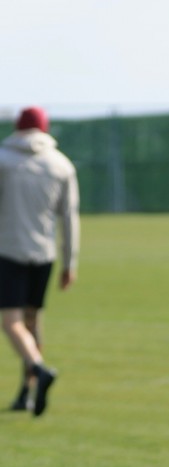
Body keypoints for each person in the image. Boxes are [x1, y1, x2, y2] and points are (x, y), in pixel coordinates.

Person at [0, 106, 79, 416]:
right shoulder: (61, 164)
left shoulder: (4, 160)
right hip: (44, 253)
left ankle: (38, 368)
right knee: (33, 321)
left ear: (17, 128)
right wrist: (70, 261)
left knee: (11, 322)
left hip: (8, 250)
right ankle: (26, 393)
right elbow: (69, 217)